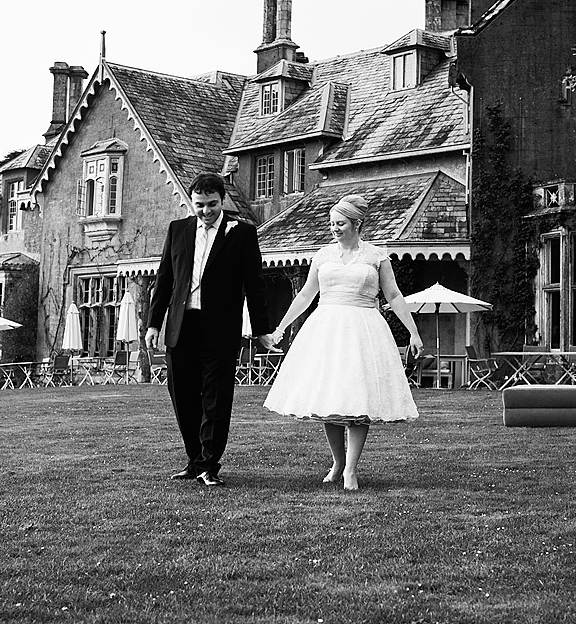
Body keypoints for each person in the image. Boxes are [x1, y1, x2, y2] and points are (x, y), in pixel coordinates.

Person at [263, 194, 423, 491]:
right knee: (331, 397)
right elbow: (305, 295)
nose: (335, 228)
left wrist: (413, 332)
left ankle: (351, 468)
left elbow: (394, 295)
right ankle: (337, 461)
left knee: (358, 398)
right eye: (332, 223)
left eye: (341, 223)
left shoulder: (376, 256)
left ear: (356, 224)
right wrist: (281, 327)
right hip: (327, 329)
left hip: (363, 328)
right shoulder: (323, 255)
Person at [146, 172, 273, 487]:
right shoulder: (178, 230)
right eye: (199, 205)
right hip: (181, 326)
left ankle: (209, 464)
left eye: (212, 204)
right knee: (183, 396)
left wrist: (261, 329)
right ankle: (194, 461)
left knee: (215, 399)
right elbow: (164, 280)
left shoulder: (242, 233)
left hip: (219, 328)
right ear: (192, 201)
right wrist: (153, 323)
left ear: (222, 200)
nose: (205, 211)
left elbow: (254, 285)